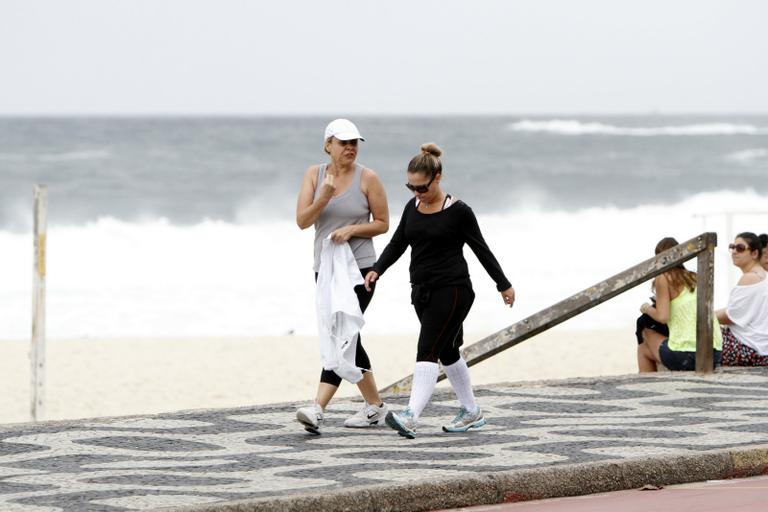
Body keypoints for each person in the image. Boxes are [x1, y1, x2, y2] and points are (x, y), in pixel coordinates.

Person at [364, 143, 515, 439]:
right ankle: (471, 411)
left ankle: (410, 416)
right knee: (447, 351)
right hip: (422, 292)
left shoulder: (459, 212)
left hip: (454, 290)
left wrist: (503, 284)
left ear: (438, 177)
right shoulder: (413, 207)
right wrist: (377, 269)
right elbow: (398, 243)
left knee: (427, 349)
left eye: (421, 187)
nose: (417, 193)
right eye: (411, 187)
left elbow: (481, 249)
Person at [294, 119, 390, 433]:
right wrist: (324, 195)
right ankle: (375, 406)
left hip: (362, 268)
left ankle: (318, 407)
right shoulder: (314, 175)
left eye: (354, 143)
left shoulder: (368, 178)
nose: (350, 148)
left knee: (343, 333)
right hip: (326, 269)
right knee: (345, 334)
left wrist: (352, 229)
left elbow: (383, 223)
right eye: (343, 143)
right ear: (328, 145)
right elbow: (302, 221)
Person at [637, 237, 722, 372]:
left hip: (687, 356)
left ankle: (647, 387)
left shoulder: (663, 277)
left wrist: (646, 308)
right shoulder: (694, 277)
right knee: (644, 350)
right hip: (714, 354)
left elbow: (663, 316)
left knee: (646, 332)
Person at [717, 232, 768, 366]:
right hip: (761, 347)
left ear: (754, 254)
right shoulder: (764, 275)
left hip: (749, 349)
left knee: (695, 336)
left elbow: (729, 316)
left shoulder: (749, 278)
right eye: (732, 247)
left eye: (740, 248)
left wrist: (704, 316)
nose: (734, 251)